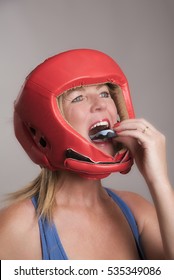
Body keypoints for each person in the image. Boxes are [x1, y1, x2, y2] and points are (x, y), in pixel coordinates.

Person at [0, 49, 173, 260]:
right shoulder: (19, 227)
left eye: (104, 93)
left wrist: (158, 181)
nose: (101, 104)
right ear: (44, 127)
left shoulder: (136, 211)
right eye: (78, 98)